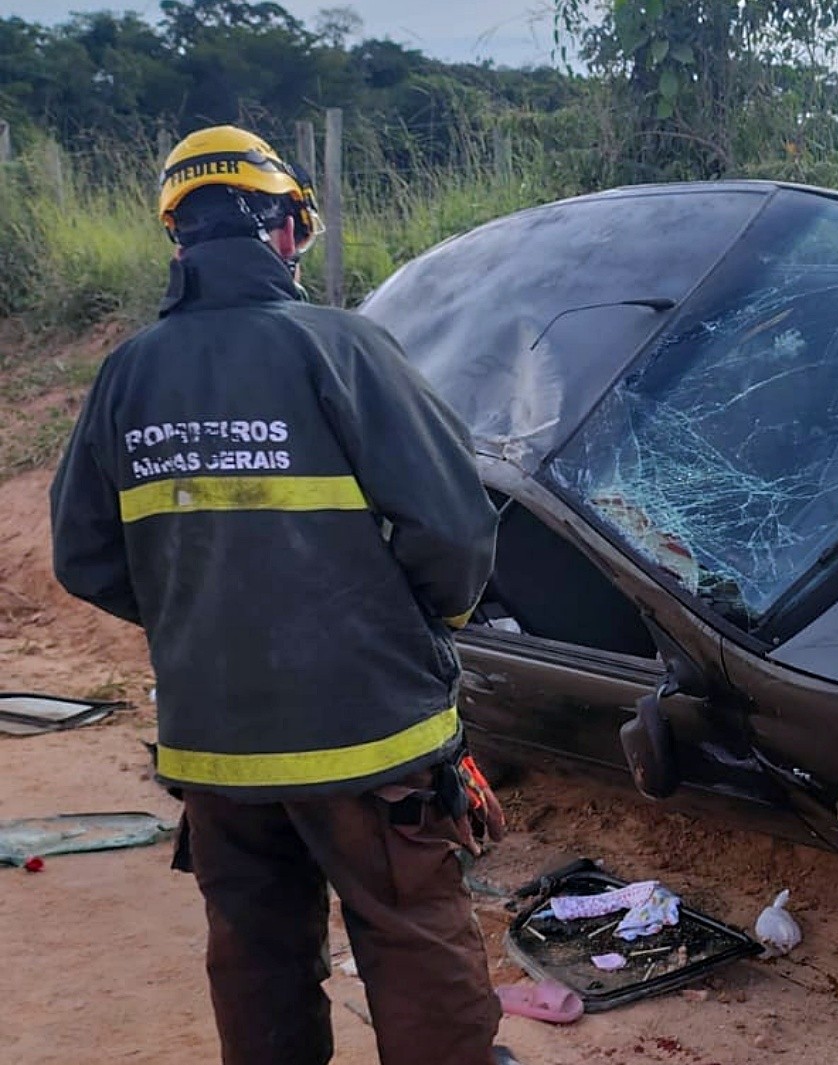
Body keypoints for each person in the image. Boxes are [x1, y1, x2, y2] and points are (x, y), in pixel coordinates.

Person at [49, 125, 516, 1065]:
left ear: (178, 241)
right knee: (413, 934)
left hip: (217, 743)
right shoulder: (342, 347)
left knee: (255, 950)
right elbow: (456, 532)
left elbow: (83, 555)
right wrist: (425, 624)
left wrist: (204, 614)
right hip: (371, 731)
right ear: (290, 232)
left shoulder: (126, 374)